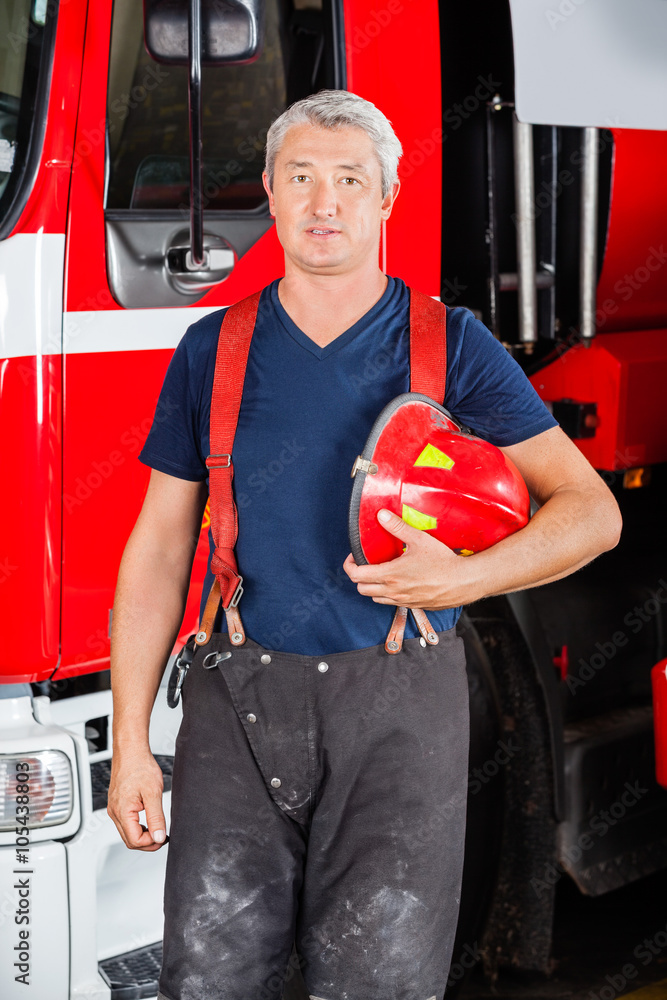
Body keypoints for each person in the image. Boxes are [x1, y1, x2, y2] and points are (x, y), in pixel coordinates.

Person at [107, 90, 622, 1000]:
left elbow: (590, 511)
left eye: (351, 181)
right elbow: (157, 548)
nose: (324, 203)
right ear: (268, 191)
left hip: (398, 703)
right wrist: (134, 741)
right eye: (300, 177)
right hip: (238, 702)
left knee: (379, 982)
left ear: (386, 199)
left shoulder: (450, 344)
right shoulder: (211, 349)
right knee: (210, 979)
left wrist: (464, 576)